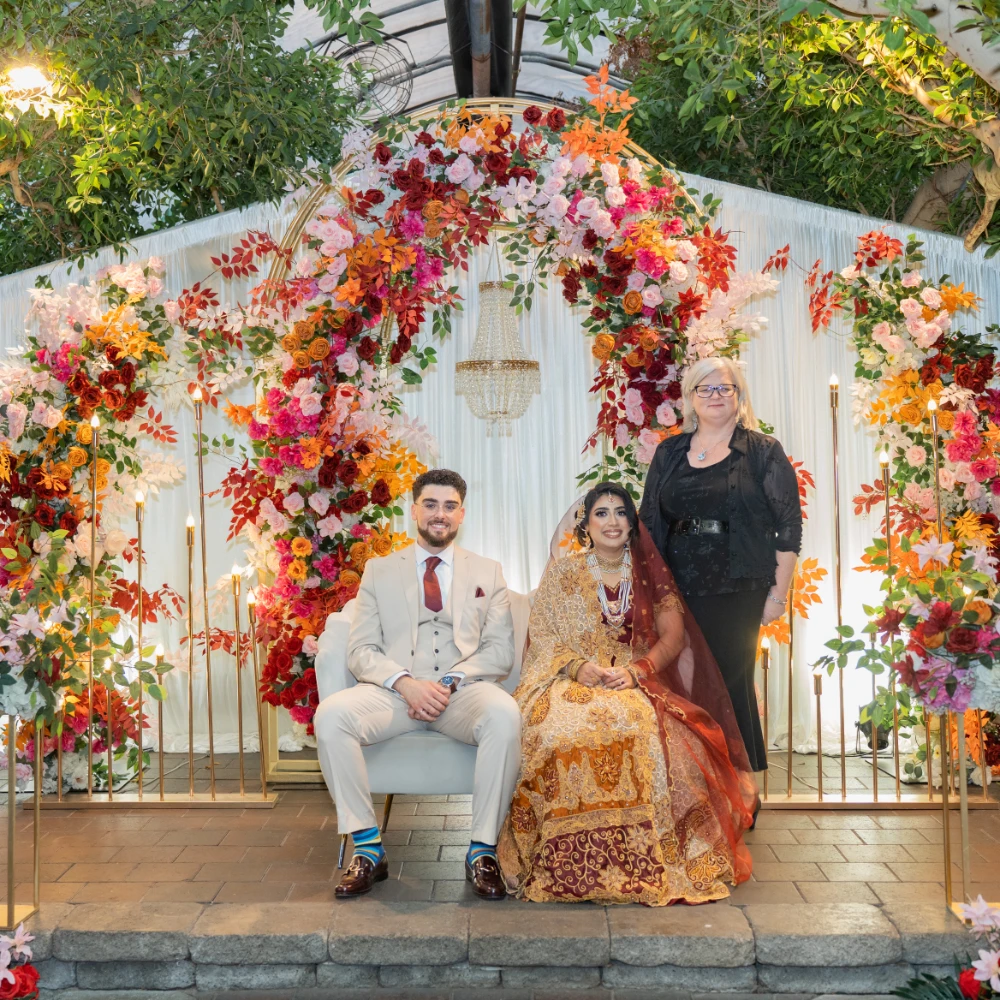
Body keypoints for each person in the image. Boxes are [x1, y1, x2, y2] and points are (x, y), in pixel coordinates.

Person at [496, 482, 756, 905]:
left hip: (635, 681)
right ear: (586, 524)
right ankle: (566, 863)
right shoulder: (564, 573)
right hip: (570, 680)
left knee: (644, 733)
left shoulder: (650, 574)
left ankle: (646, 862)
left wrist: (639, 670)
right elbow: (542, 635)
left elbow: (673, 636)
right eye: (601, 513)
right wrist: (578, 667)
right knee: (557, 734)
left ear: (633, 523)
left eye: (620, 512)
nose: (612, 521)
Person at [314, 469, 521, 900]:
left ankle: (482, 850)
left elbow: (500, 652)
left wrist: (447, 681)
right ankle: (368, 848)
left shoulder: (488, 572)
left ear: (461, 514)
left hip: (461, 692)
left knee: (504, 715)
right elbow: (361, 650)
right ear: (414, 510)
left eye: (449, 506)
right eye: (430, 504)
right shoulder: (379, 571)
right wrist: (406, 683)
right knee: (331, 716)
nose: (439, 514)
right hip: (392, 694)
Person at [639, 356, 802, 786]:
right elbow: (649, 523)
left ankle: (738, 787)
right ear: (690, 398)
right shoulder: (669, 452)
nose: (715, 395)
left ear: (739, 396)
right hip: (675, 586)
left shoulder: (762, 451)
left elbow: (788, 529)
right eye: (705, 388)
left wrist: (777, 595)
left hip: (738, 587)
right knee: (679, 682)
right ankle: (689, 784)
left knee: (729, 682)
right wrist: (648, 588)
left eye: (724, 387)